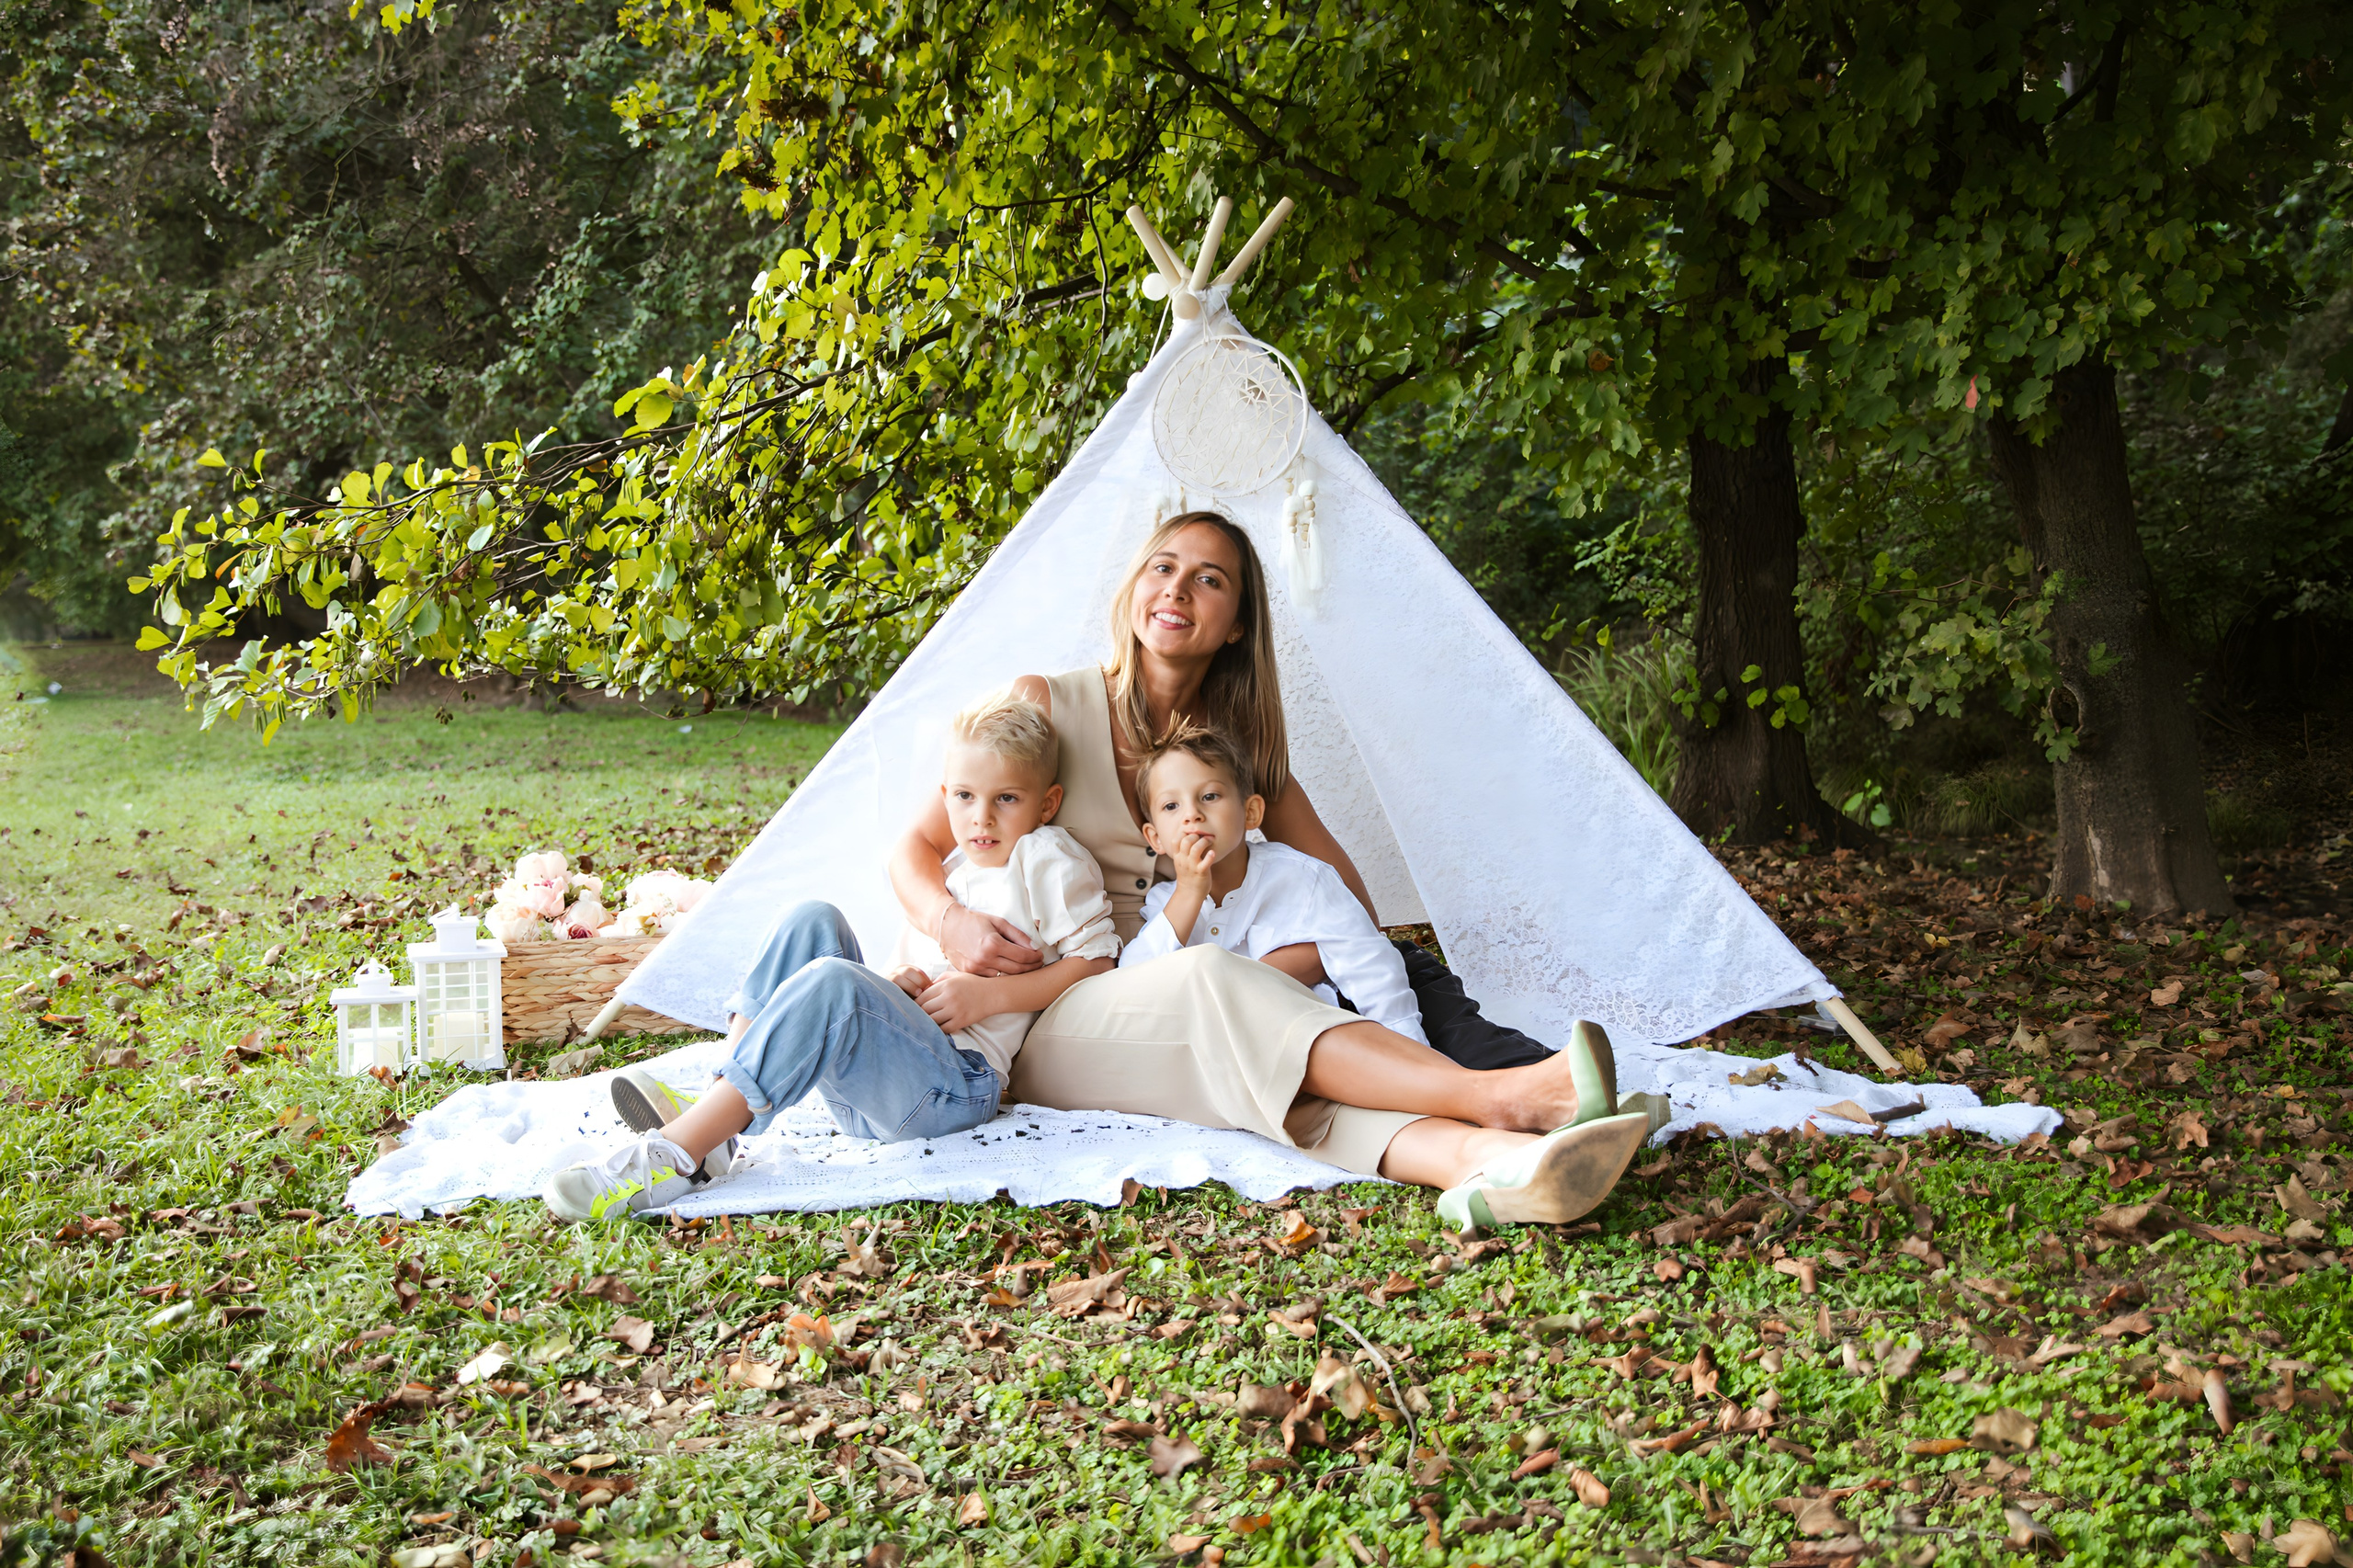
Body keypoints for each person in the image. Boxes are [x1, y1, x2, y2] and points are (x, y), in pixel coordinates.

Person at [889, 511, 1653, 1226]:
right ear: (1134, 589)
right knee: (1219, 981)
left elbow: (1345, 898)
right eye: (1163, 566)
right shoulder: (1047, 703)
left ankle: (1488, 1160)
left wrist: (1298, 960)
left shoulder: (1229, 757)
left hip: (1162, 994)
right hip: (1053, 1008)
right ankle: (1506, 1098)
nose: (1178, 588)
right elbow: (914, 847)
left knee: (1317, 1015)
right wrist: (950, 923)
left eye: (1210, 578)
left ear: (1237, 626)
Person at [542, 690, 1118, 1221]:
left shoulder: (1046, 859)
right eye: (965, 798)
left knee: (835, 984)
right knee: (812, 920)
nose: (981, 817)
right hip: (883, 1089)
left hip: (955, 1089)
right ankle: (720, 1119)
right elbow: (910, 981)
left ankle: (678, 1154)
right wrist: (898, 987)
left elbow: (1097, 963)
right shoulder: (954, 865)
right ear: (945, 798)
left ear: (1047, 804)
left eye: (1006, 799)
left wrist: (991, 996)